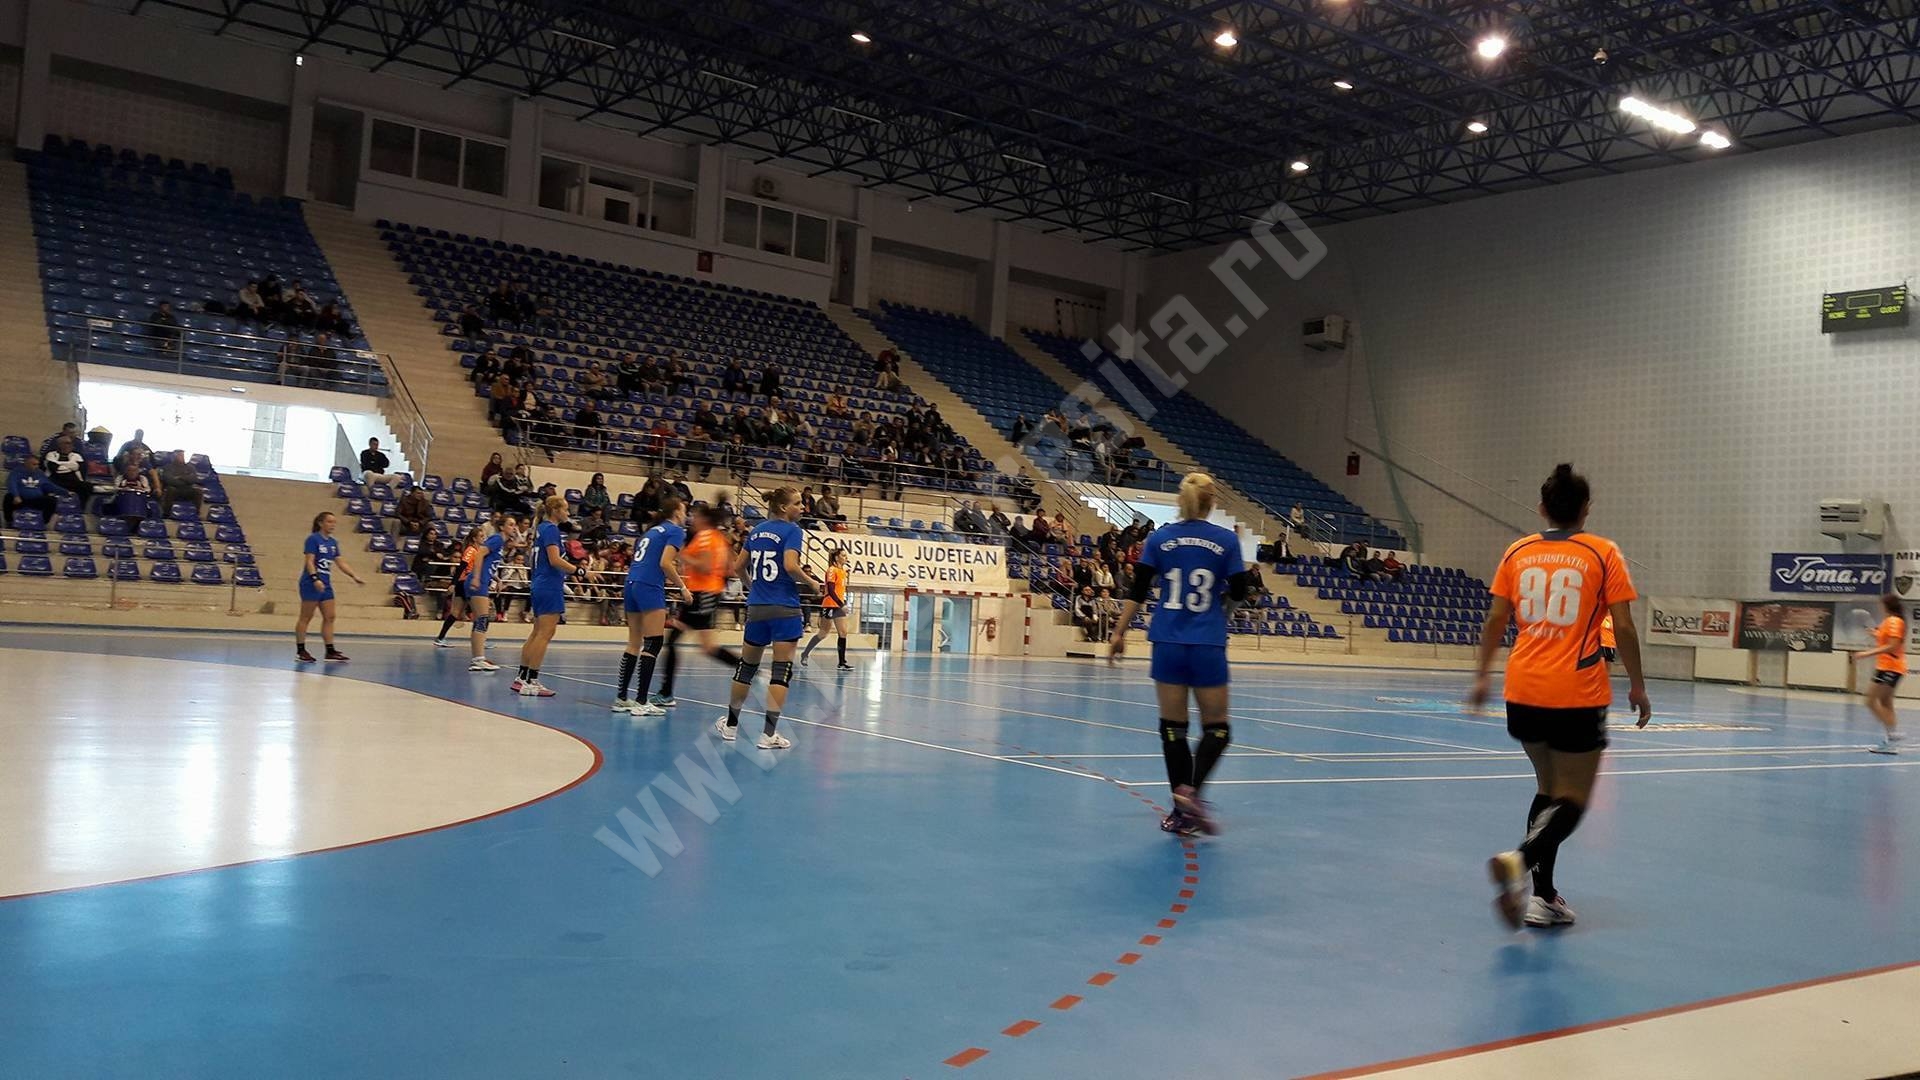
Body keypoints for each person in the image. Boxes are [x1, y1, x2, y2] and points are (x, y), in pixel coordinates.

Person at [1470, 463, 1650, 931]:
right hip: (1576, 690)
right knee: (1575, 797)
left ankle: (1543, 898)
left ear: (1541, 507)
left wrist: (1482, 677)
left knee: (1548, 790)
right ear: (1586, 509)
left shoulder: (1517, 551)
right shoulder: (1603, 553)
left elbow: (1495, 619)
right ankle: (1519, 861)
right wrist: (1637, 684)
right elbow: (1624, 626)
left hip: (1523, 687)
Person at [1108, 473, 1249, 838]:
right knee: (1217, 729)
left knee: (1173, 729)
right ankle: (1191, 792)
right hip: (1207, 642)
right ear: (1211, 502)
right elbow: (1240, 590)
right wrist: (1223, 601)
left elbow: (1138, 589)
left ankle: (1180, 811)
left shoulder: (1159, 538)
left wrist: (1119, 632)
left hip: (1167, 640)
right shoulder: (1226, 540)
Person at [715, 487, 821, 749]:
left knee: (746, 668)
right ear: (784, 508)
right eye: (798, 503)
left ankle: (730, 726)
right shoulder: (793, 530)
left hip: (757, 608)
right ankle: (768, 734)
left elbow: (738, 567)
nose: (803, 507)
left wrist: (753, 587)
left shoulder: (757, 531)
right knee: (781, 670)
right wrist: (811, 582)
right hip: (785, 608)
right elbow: (790, 566)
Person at [654, 504, 742, 707]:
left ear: (703, 519)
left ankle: (666, 693)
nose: (691, 519)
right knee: (708, 648)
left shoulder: (705, 537)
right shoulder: (718, 537)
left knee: (674, 641)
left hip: (703, 593)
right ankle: (749, 670)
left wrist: (683, 555)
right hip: (707, 593)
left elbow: (705, 566)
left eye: (694, 516)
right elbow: (729, 567)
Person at [612, 497, 688, 715]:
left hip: (631, 583)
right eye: (684, 511)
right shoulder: (675, 531)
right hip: (649, 585)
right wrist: (682, 587)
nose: (685, 515)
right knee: (653, 643)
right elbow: (665, 563)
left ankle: (621, 698)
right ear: (676, 512)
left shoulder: (651, 531)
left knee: (634, 642)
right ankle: (642, 701)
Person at [512, 496, 576, 697]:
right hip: (549, 585)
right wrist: (579, 571)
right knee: (545, 634)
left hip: (540, 584)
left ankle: (522, 677)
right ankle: (532, 681)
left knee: (537, 632)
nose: (568, 513)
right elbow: (555, 560)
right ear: (555, 510)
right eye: (565, 509)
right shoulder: (551, 529)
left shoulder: (541, 529)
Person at [295, 512, 364, 664]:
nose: (332, 525)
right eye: (329, 522)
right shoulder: (313, 539)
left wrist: (353, 575)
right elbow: (309, 561)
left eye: (334, 522)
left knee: (330, 616)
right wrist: (315, 578)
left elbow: (340, 562)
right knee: (306, 617)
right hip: (311, 583)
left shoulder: (333, 542)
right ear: (321, 523)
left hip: (326, 583)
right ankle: (301, 650)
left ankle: (330, 651)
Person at [1853, 594, 1906, 754]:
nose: (1879, 607)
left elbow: (1892, 646)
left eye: (1881, 605)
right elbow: (1886, 639)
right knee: (1885, 702)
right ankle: (1891, 743)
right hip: (1884, 667)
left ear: (1887, 605)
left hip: (1891, 667)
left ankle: (1893, 734)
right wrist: (1875, 634)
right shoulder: (1888, 621)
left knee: (1870, 701)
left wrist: (1866, 653)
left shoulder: (1895, 621)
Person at [800, 548, 853, 669]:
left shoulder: (842, 571)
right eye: (843, 555)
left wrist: (842, 604)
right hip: (830, 604)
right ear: (836, 557)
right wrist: (841, 605)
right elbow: (831, 591)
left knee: (843, 632)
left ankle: (842, 662)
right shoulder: (831, 570)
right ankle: (805, 653)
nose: (846, 557)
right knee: (823, 633)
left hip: (839, 605)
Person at [5, 456, 60, 526]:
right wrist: (16, 495)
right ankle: (9, 522)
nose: (37, 466)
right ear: (26, 464)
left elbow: (49, 485)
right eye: (34, 464)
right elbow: (12, 483)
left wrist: (66, 492)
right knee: (8, 497)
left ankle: (44, 522)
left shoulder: (40, 473)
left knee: (52, 500)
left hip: (36, 500)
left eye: (37, 464)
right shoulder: (16, 472)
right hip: (21, 499)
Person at [42, 435, 92, 504]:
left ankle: (81, 506)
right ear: (60, 444)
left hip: (73, 481)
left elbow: (79, 467)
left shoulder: (77, 455)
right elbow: (55, 469)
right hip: (55, 480)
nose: (70, 445)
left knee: (87, 486)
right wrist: (71, 466)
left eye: (71, 443)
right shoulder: (51, 454)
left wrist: (60, 464)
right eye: (67, 443)